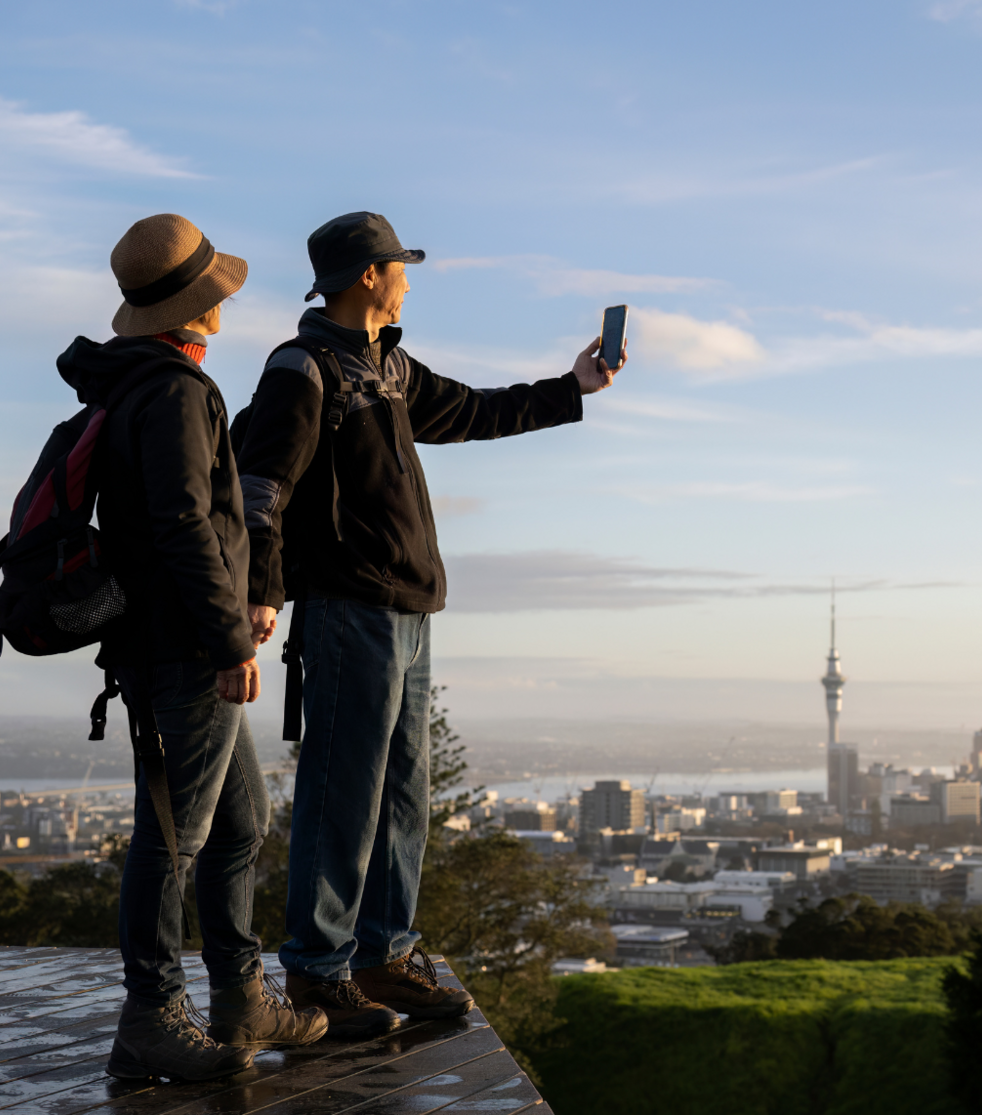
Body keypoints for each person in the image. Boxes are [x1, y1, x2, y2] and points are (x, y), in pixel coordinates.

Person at [237, 211, 620, 1031]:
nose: (409, 276)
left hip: (408, 607)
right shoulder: (303, 368)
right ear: (369, 275)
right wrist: (261, 593)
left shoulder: (388, 365)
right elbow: (260, 487)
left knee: (402, 795)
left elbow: (473, 411)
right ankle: (315, 971)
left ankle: (383, 956)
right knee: (343, 791)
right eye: (399, 265)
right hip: (347, 605)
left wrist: (572, 386)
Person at [59, 213, 327, 1080]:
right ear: (195, 304)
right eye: (215, 292)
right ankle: (153, 1016)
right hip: (183, 646)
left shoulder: (135, 381)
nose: (224, 304)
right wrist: (227, 635)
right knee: (174, 837)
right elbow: (183, 523)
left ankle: (240, 998)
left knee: (237, 824)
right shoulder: (174, 389)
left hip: (167, 638)